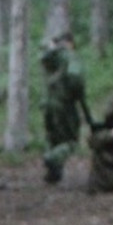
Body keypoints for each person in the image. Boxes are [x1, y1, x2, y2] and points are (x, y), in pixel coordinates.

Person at [39, 35, 87, 185]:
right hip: (64, 105)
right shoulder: (70, 56)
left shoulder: (51, 57)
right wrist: (77, 94)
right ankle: (51, 158)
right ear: (70, 43)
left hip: (48, 104)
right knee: (71, 141)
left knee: (53, 138)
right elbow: (75, 78)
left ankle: (53, 174)